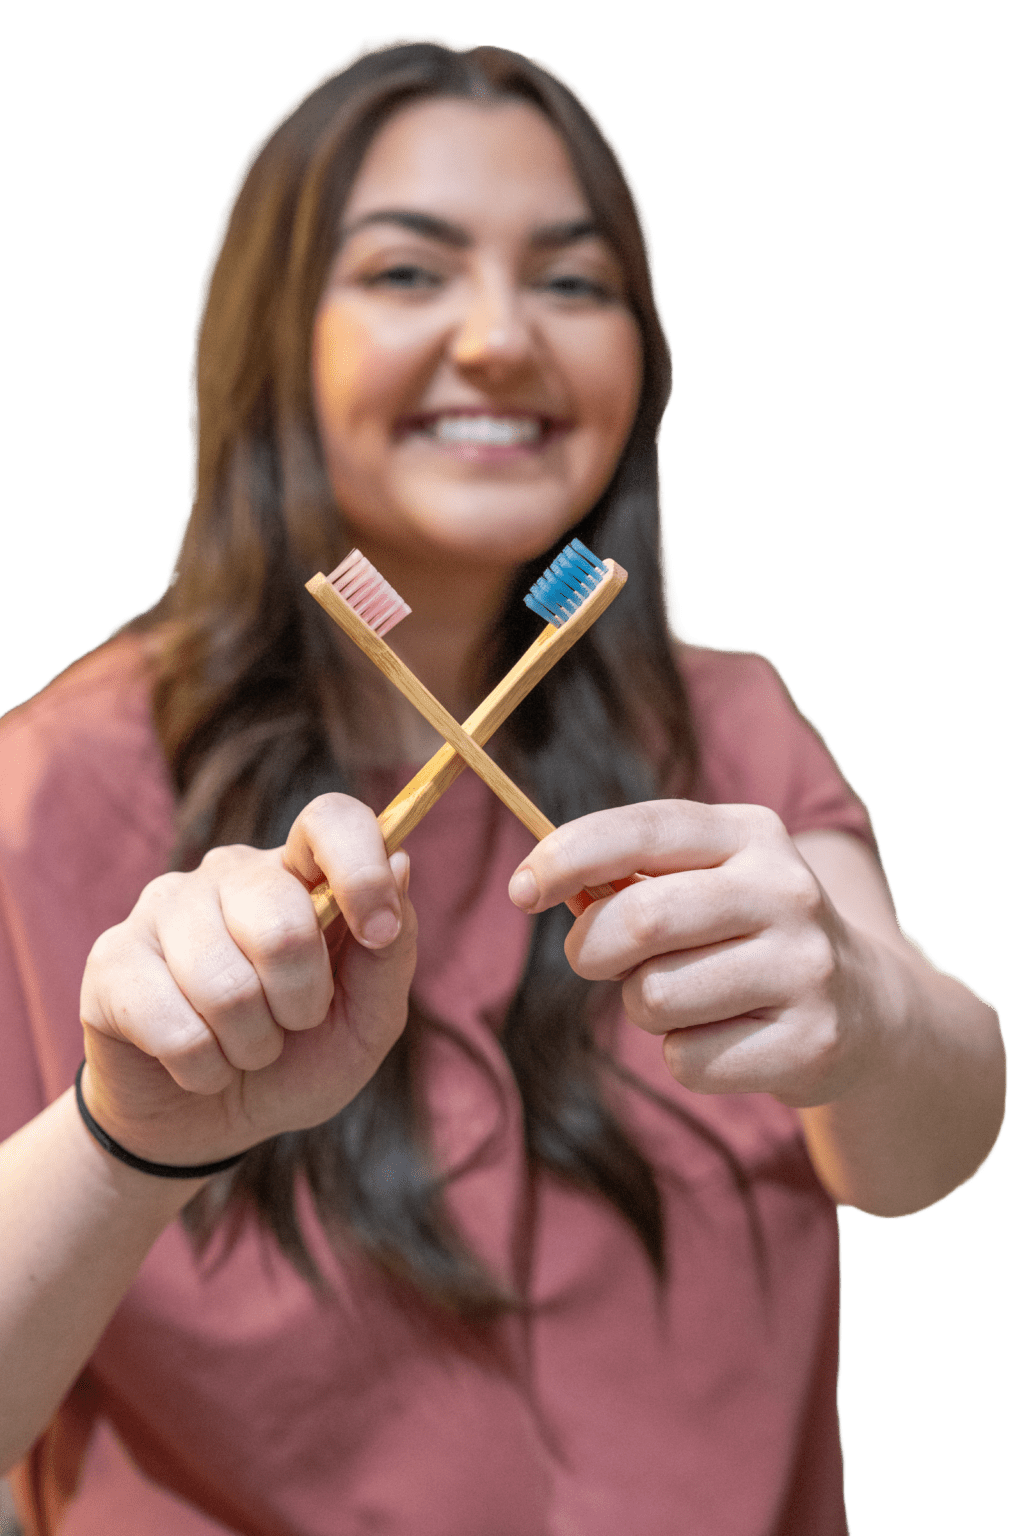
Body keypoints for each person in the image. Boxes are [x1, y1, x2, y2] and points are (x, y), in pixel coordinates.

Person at [0, 33, 1006, 1536]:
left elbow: (929, 1141)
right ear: (274, 338)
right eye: (408, 271)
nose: (498, 338)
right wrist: (121, 1138)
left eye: (573, 281)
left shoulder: (726, 734)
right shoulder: (51, 791)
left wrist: (865, 1013)